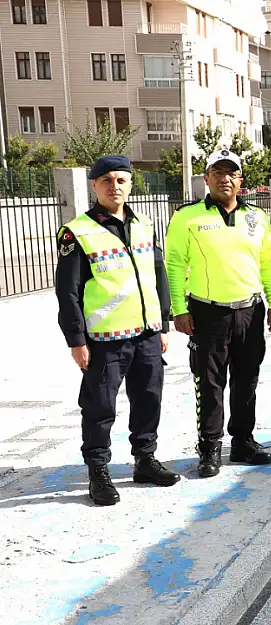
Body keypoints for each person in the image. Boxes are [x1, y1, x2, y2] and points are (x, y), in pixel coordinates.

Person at [55, 155, 179, 505]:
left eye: (121, 180)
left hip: (147, 334)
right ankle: (98, 471)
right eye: (107, 180)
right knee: (99, 408)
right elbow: (68, 292)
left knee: (149, 399)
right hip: (105, 340)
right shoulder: (77, 231)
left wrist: (164, 322)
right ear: (95, 186)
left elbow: (159, 276)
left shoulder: (144, 224)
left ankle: (145, 459)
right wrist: (76, 340)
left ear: (130, 183)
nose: (115, 186)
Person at [166, 150, 271, 477]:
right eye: (218, 172)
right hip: (207, 313)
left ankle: (243, 441)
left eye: (232, 172)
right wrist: (179, 308)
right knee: (210, 383)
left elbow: (268, 263)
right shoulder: (187, 217)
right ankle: (210, 448)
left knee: (247, 382)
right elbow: (174, 264)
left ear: (241, 180)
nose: (225, 178)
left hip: (250, 311)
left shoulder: (256, 217)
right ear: (207, 178)